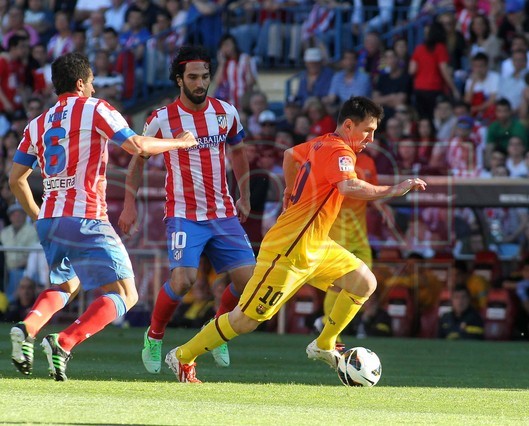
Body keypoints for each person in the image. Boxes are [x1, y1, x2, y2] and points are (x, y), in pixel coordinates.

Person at [164, 96, 427, 383]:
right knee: (245, 320)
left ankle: (325, 343)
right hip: (287, 251)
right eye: (367, 130)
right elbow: (349, 185)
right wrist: (395, 189)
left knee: (364, 282)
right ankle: (182, 356)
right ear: (349, 125)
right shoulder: (340, 150)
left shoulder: (320, 142)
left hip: (315, 244)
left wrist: (290, 190)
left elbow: (290, 154)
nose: (371, 138)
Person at [8, 52, 197, 381]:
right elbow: (137, 145)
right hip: (85, 215)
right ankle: (64, 342)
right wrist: (179, 144)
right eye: (92, 83)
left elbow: (15, 179)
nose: (94, 90)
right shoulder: (95, 108)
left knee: (67, 283)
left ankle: (27, 328)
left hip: (51, 218)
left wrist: (40, 215)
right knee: (127, 294)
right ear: (81, 83)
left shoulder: (37, 123)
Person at [117, 45, 256, 374]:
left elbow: (238, 153)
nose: (200, 83)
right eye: (193, 77)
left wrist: (245, 194)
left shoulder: (226, 113)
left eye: (205, 76)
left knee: (249, 282)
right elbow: (139, 158)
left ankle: (216, 331)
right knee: (183, 281)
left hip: (222, 213)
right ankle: (154, 336)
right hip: (184, 214)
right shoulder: (161, 118)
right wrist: (129, 203)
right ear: (179, 80)